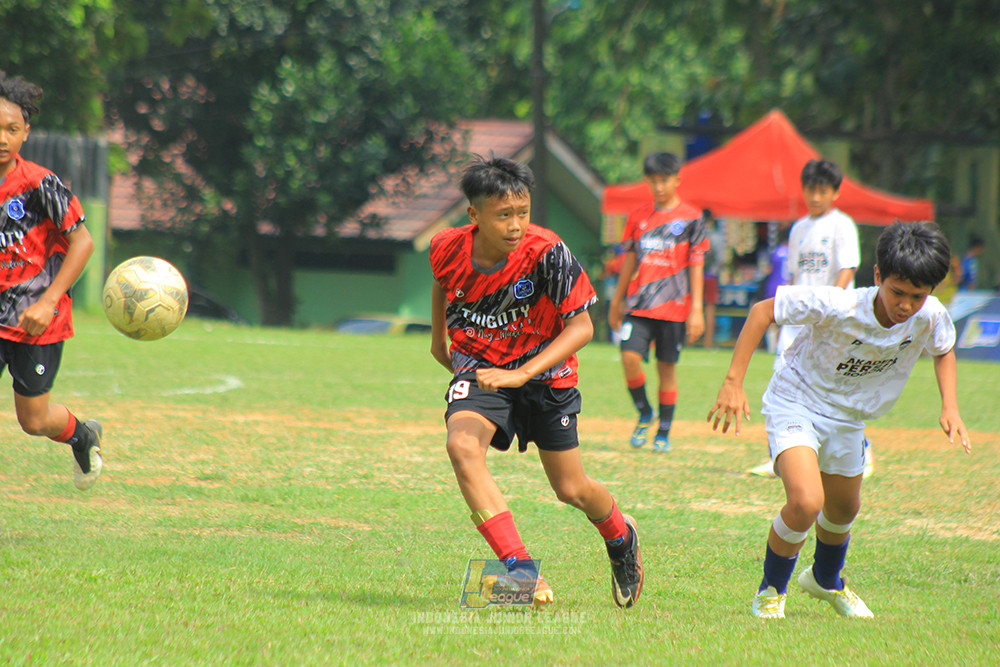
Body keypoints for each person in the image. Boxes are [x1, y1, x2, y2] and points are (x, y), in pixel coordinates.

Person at [708, 220, 970, 620]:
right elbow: (764, 311)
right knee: (807, 500)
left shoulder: (928, 315)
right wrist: (732, 382)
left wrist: (949, 406)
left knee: (844, 509)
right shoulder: (838, 304)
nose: (905, 305)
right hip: (796, 402)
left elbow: (944, 347)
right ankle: (770, 591)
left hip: (849, 416)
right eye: (897, 292)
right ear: (878, 276)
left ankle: (825, 581)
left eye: (917, 296)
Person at [429, 155, 643, 609]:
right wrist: (438, 340)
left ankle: (621, 538)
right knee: (462, 447)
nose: (515, 225)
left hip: (546, 376)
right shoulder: (445, 246)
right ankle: (521, 568)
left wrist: (522, 372)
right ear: (474, 216)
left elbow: (583, 327)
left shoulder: (547, 252)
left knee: (571, 489)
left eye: (522, 213)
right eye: (503, 215)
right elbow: (444, 282)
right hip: (482, 368)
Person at [0, 72, 103, 490]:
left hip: (36, 321)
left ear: (26, 133)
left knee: (34, 420)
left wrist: (48, 303)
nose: (3, 137)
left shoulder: (41, 185)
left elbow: (83, 242)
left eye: (12, 129)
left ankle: (83, 434)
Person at [749, 158, 863, 477]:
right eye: (811, 190)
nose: (815, 197)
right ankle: (781, 455)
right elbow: (794, 275)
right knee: (782, 379)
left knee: (836, 386)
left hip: (833, 320)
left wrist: (832, 304)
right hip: (799, 321)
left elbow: (847, 268)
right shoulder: (798, 228)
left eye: (822, 191)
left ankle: (861, 450)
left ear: (835, 193)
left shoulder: (842, 225)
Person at [609, 152, 708, 453]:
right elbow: (629, 259)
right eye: (652, 181)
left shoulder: (693, 218)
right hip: (639, 305)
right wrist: (617, 299)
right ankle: (644, 412)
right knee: (629, 358)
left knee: (666, 369)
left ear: (677, 179)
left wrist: (696, 310)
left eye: (664, 181)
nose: (658, 187)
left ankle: (663, 432)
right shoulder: (638, 216)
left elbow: (697, 264)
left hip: (675, 308)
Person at [702, 210, 727, 348]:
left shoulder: (697, 235)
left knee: (693, 307)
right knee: (710, 309)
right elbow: (722, 260)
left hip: (696, 275)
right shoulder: (716, 237)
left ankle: (689, 340)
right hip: (711, 276)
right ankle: (708, 342)